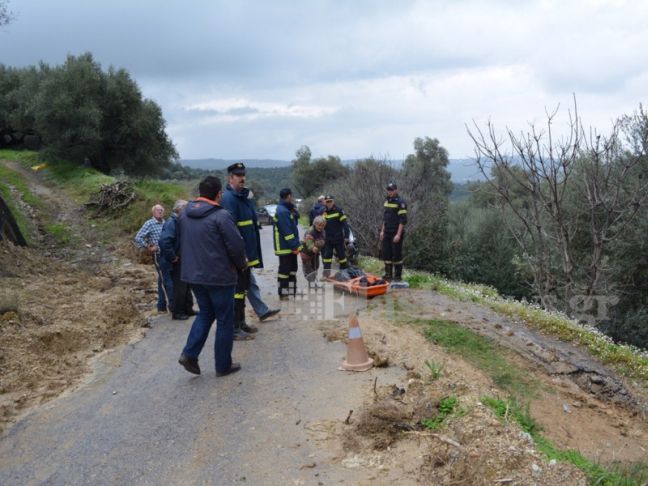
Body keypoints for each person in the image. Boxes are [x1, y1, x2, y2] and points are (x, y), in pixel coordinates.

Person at [177, 175, 247, 377]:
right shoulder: (221, 216)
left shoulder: (184, 215)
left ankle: (189, 354)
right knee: (225, 319)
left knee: (206, 313)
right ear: (219, 194)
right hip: (220, 277)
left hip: (194, 276)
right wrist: (241, 266)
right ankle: (223, 365)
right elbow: (236, 246)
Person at [221, 162, 279, 341]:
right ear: (230, 178)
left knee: (245, 287)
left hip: (247, 254)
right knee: (238, 291)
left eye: (243, 175)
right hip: (239, 255)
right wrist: (240, 255)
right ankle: (235, 327)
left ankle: (242, 322)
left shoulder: (243, 197)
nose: (242, 178)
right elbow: (231, 231)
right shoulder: (229, 199)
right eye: (238, 175)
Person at [159, 199, 195, 320]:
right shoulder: (171, 222)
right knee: (178, 287)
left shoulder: (179, 221)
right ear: (179, 210)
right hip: (174, 262)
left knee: (186, 286)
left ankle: (188, 309)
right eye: (186, 208)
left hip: (183, 260)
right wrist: (173, 256)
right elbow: (164, 241)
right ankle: (177, 312)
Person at [134, 204, 169, 312]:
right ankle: (163, 305)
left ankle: (162, 305)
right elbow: (138, 237)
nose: (160, 212)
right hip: (158, 254)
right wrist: (148, 246)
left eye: (162, 210)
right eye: (158, 210)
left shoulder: (165, 222)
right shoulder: (149, 223)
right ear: (153, 212)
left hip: (167, 254)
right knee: (163, 279)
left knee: (163, 279)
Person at [273, 188, 301, 298]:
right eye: (292, 196)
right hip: (285, 247)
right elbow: (287, 232)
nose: (292, 198)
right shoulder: (282, 211)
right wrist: (296, 246)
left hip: (289, 246)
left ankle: (292, 291)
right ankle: (283, 294)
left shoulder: (285, 209)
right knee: (284, 271)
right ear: (289, 196)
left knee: (292, 270)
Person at [380, 182, 408, 281]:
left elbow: (402, 220)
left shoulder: (401, 203)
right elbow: (385, 218)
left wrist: (398, 235)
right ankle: (388, 275)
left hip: (396, 233)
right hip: (386, 232)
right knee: (386, 254)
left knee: (396, 255)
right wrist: (382, 231)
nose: (390, 192)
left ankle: (397, 276)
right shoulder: (387, 201)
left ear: (396, 190)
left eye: (391, 190)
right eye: (388, 190)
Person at [321, 195, 350, 278]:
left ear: (333, 201)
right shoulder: (324, 212)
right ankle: (326, 275)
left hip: (338, 238)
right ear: (325, 203)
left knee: (342, 257)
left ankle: (343, 274)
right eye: (327, 202)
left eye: (330, 201)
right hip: (328, 239)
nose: (329, 203)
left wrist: (346, 237)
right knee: (327, 258)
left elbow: (345, 224)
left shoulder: (339, 210)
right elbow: (321, 224)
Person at [300, 215, 326, 285]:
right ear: (315, 224)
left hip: (315, 253)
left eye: (323, 225)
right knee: (309, 269)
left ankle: (313, 280)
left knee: (316, 266)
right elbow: (309, 243)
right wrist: (312, 247)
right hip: (306, 253)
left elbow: (324, 240)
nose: (321, 227)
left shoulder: (323, 231)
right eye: (319, 225)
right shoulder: (310, 231)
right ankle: (311, 283)